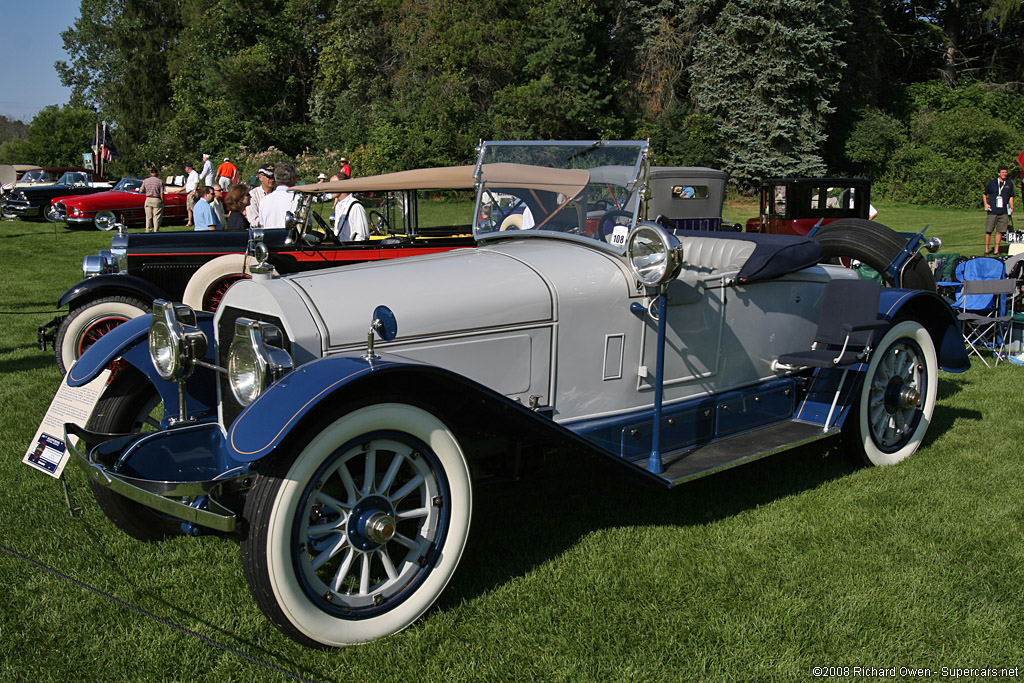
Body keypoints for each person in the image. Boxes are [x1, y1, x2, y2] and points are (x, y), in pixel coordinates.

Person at [984, 165, 1014, 255]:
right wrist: (986, 204)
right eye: (1003, 172)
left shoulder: (1009, 184)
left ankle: (996, 251)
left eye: (1006, 172)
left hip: (1003, 211)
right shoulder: (992, 183)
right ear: (999, 173)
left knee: (1000, 231)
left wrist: (1012, 207)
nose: (1004, 174)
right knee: (989, 231)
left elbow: (1011, 196)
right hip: (992, 210)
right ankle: (987, 250)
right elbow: (984, 194)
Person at [259, 161, 298, 229]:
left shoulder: (264, 200)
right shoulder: (298, 199)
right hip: (290, 238)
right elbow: (307, 227)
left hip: (270, 238)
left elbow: (262, 224)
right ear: (292, 179)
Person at [140, 167, 164, 233]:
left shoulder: (146, 180)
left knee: (148, 217)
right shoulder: (160, 181)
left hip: (148, 198)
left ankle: (148, 230)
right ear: (157, 173)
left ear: (151, 173)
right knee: (156, 217)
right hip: (156, 199)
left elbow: (141, 190)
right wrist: (162, 201)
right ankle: (156, 230)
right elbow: (161, 192)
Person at [184, 162, 200, 227]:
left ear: (188, 167)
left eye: (186, 167)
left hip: (192, 192)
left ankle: (198, 221)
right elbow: (187, 185)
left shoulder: (194, 173)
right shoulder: (190, 175)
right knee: (189, 208)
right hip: (189, 193)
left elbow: (197, 182)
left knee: (194, 208)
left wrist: (194, 191)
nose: (185, 169)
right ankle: (190, 221)